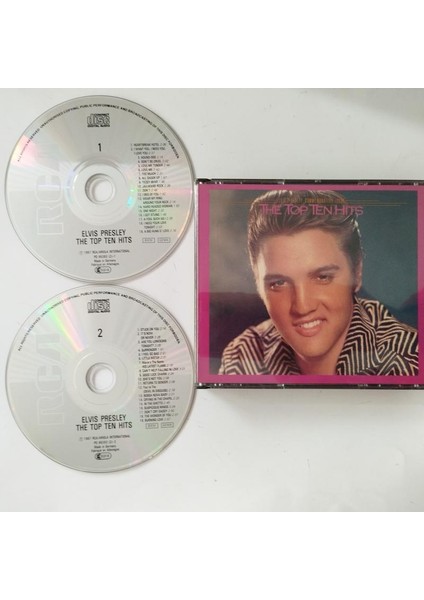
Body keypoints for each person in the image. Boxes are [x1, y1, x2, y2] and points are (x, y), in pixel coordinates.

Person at [219, 190, 419, 376]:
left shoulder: (410, 360)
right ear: (258, 285)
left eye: (322, 277)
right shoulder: (244, 354)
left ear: (357, 273)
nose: (303, 307)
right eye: (279, 283)